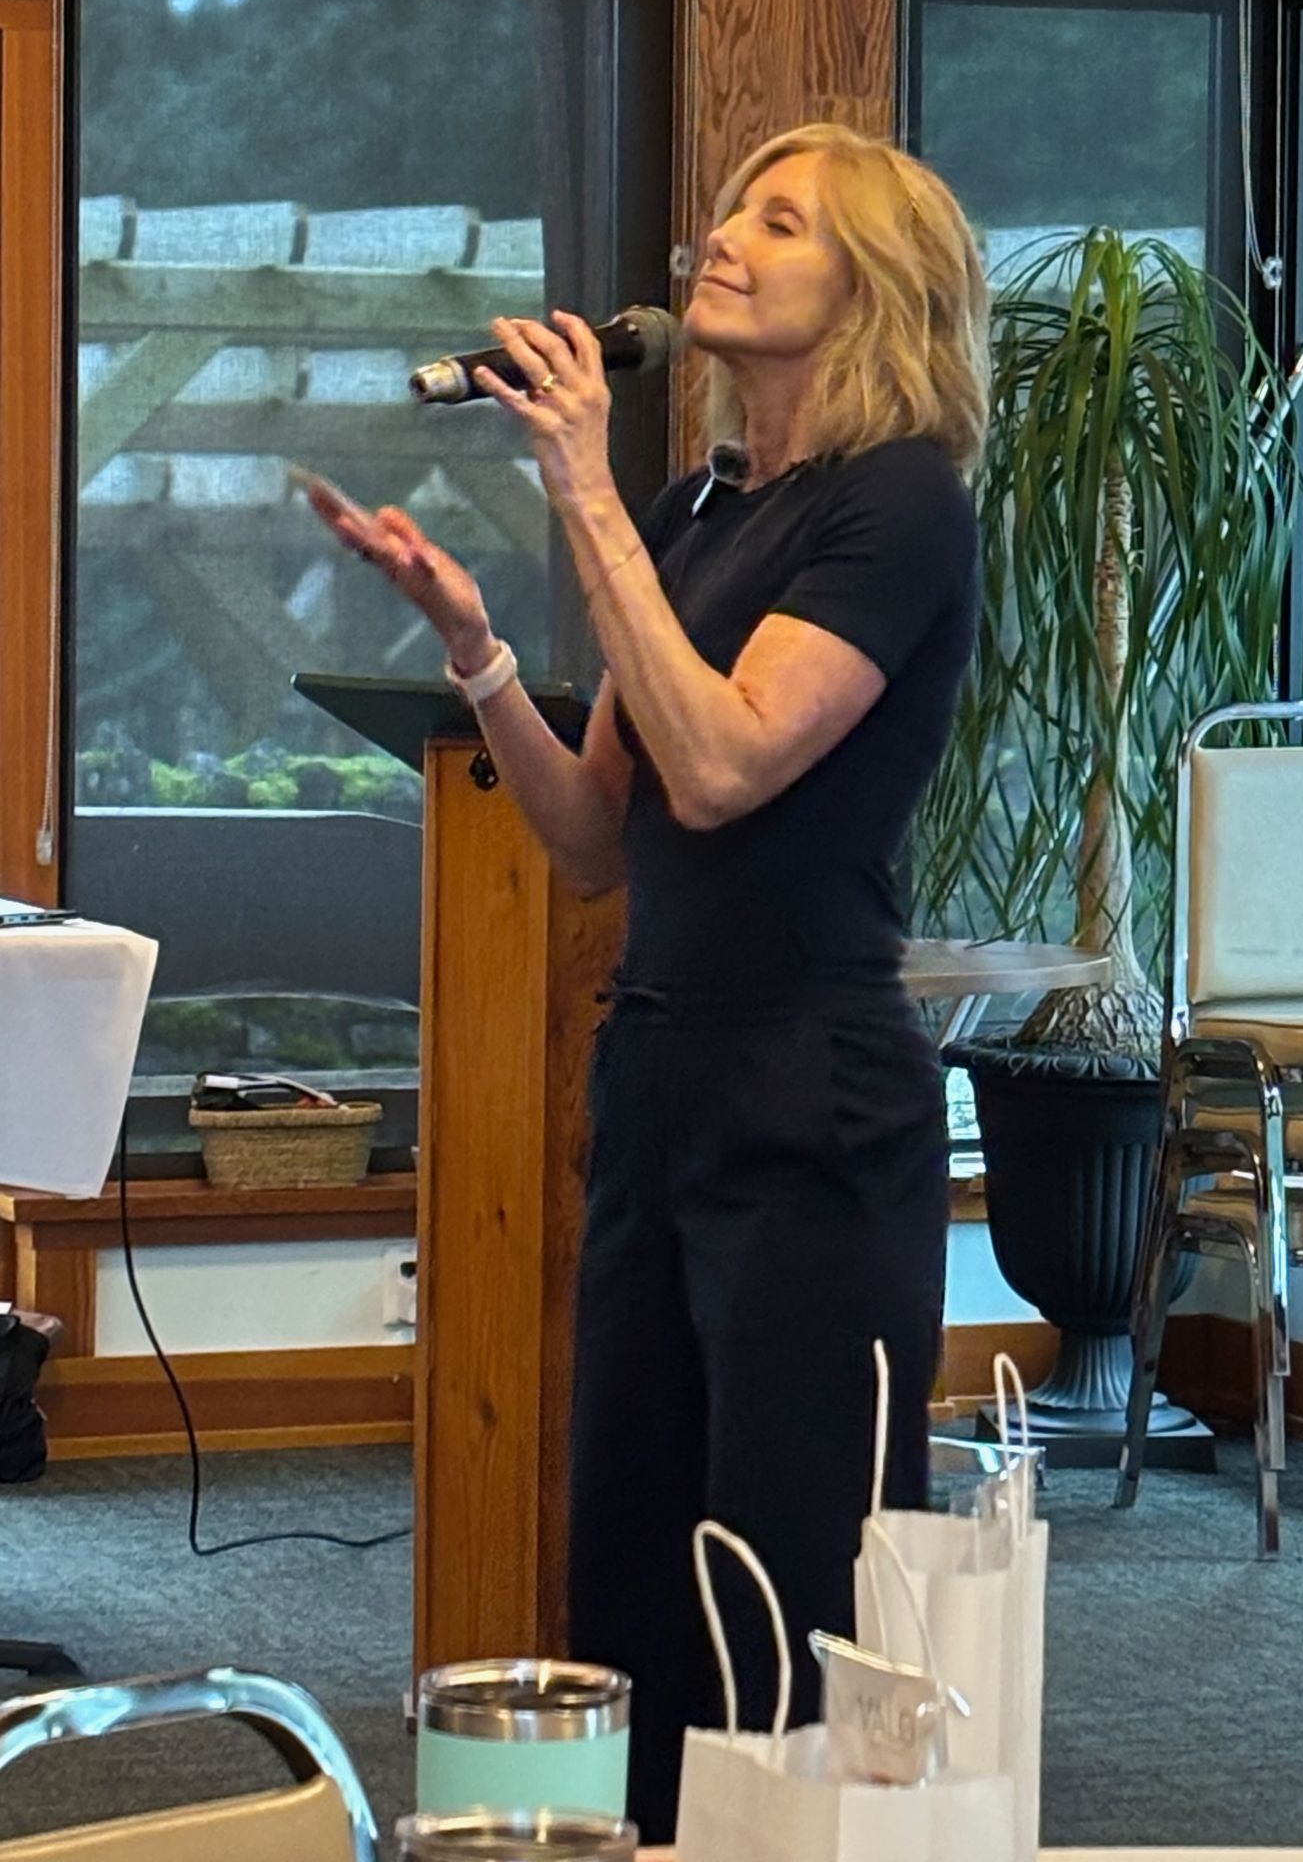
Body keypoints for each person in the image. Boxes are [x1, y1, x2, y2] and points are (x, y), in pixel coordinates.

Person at [305, 122, 989, 1843]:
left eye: (782, 221)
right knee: (628, 1547)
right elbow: (603, 833)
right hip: (663, 1068)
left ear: (876, 289)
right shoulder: (694, 507)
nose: (721, 240)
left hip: (813, 1089)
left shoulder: (899, 504)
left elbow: (734, 763)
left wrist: (582, 495)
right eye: (731, 210)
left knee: (778, 1572)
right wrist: (475, 653)